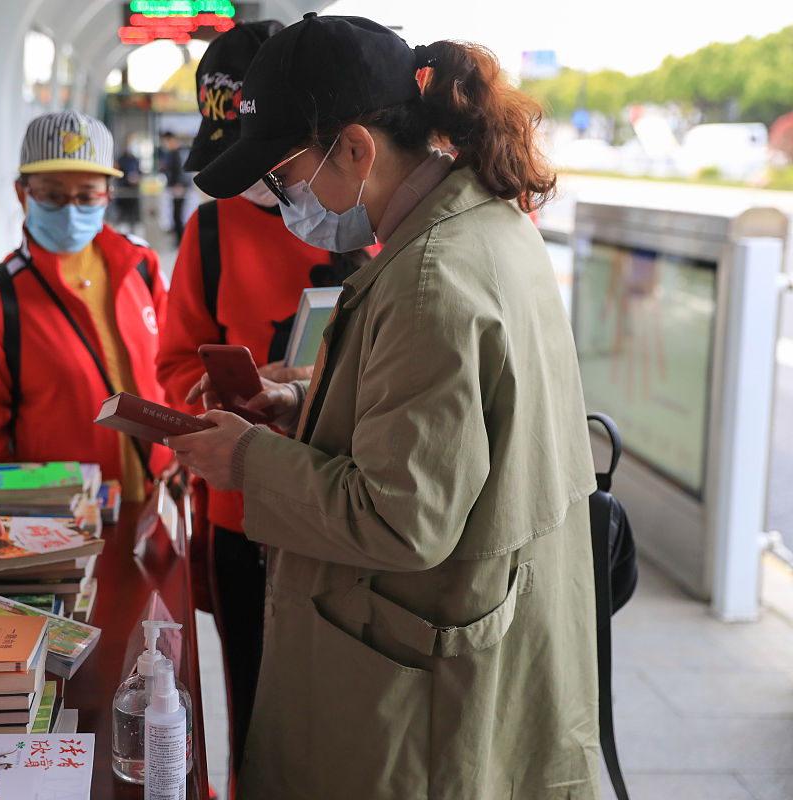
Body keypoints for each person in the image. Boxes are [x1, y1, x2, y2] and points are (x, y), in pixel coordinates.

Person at [168, 14, 600, 799]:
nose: (283, 200)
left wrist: (246, 460)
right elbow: (447, 423)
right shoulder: (484, 225)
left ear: (356, 149)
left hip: (423, 686)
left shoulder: (431, 278)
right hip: (473, 636)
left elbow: (402, 515)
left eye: (285, 175)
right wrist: (297, 398)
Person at [154, 19, 376, 785]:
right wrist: (225, 390)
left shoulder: (367, 219)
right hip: (241, 511)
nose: (256, 184)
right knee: (254, 701)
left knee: (351, 708)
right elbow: (175, 358)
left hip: (354, 500)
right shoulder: (211, 230)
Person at [0, 110, 170, 503]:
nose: (71, 211)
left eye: (87, 196)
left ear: (107, 195)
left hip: (156, 501)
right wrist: (39, 522)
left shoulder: (141, 267)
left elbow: (171, 370)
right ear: (23, 194)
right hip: (61, 523)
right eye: (52, 196)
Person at [159, 130, 191, 242]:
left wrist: (178, 184)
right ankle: (179, 239)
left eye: (166, 141)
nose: (165, 144)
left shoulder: (178, 154)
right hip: (176, 187)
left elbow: (180, 172)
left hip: (179, 188)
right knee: (176, 214)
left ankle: (181, 239)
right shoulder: (173, 154)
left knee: (178, 215)